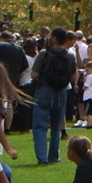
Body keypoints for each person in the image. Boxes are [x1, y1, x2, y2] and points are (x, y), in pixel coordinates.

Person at [26, 28, 76, 166]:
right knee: (56, 126)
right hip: (61, 92)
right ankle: (54, 156)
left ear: (54, 38)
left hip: (44, 90)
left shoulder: (44, 53)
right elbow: (73, 76)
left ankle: (42, 158)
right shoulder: (70, 55)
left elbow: (34, 73)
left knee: (40, 126)